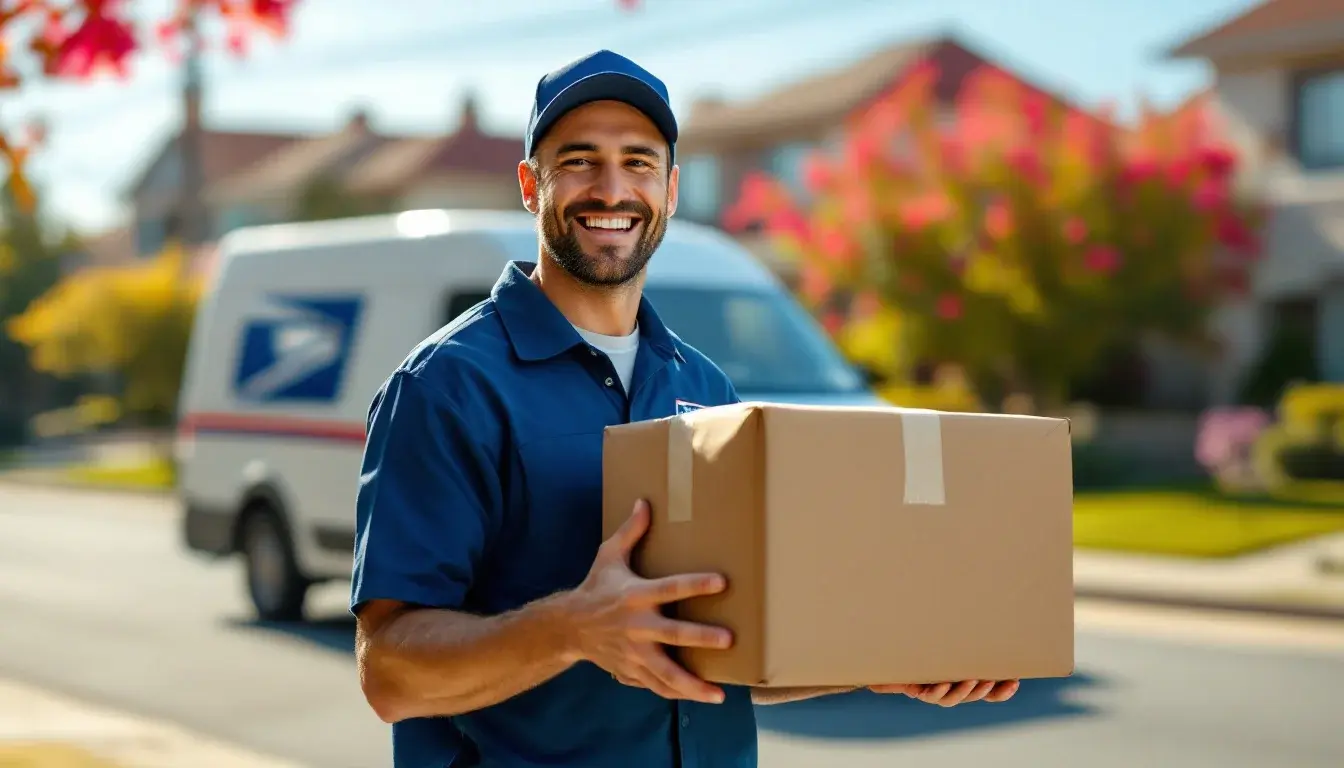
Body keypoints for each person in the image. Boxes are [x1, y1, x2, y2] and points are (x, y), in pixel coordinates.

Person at [350, 49, 1019, 768]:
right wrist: (572, 628)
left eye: (638, 163)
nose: (611, 189)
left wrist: (877, 662)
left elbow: (728, 648)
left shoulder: (703, 386)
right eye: (579, 160)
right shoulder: (445, 388)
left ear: (669, 189)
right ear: (528, 185)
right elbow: (389, 673)